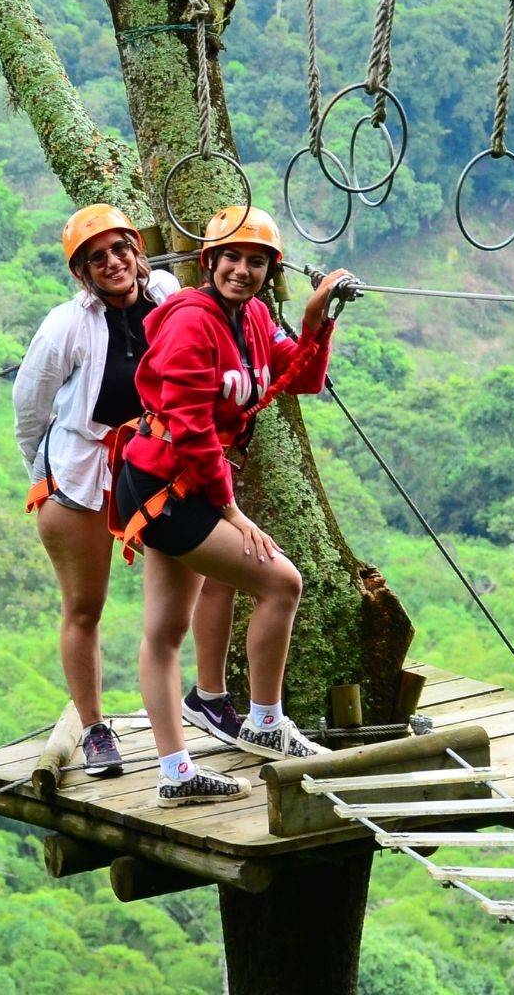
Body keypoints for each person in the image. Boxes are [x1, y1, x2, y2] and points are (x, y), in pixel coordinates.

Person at [112, 205, 349, 807]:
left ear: (269, 271)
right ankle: (265, 721)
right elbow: (191, 426)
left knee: (165, 630)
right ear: (209, 262)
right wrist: (232, 512)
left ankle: (176, 771)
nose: (242, 270)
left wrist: (316, 320)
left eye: (256, 262)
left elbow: (302, 378)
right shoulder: (192, 323)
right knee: (281, 583)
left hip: (175, 482)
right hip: (168, 483)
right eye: (232, 259)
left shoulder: (255, 318)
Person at [14, 204, 237, 778]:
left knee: (214, 573)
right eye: (97, 258)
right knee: (85, 607)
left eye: (120, 249)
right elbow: (29, 408)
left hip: (154, 465)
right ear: (81, 272)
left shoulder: (167, 295)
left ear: (138, 251)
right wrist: (43, 473)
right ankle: (94, 730)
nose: (113, 263)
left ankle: (209, 697)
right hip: (82, 474)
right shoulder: (64, 326)